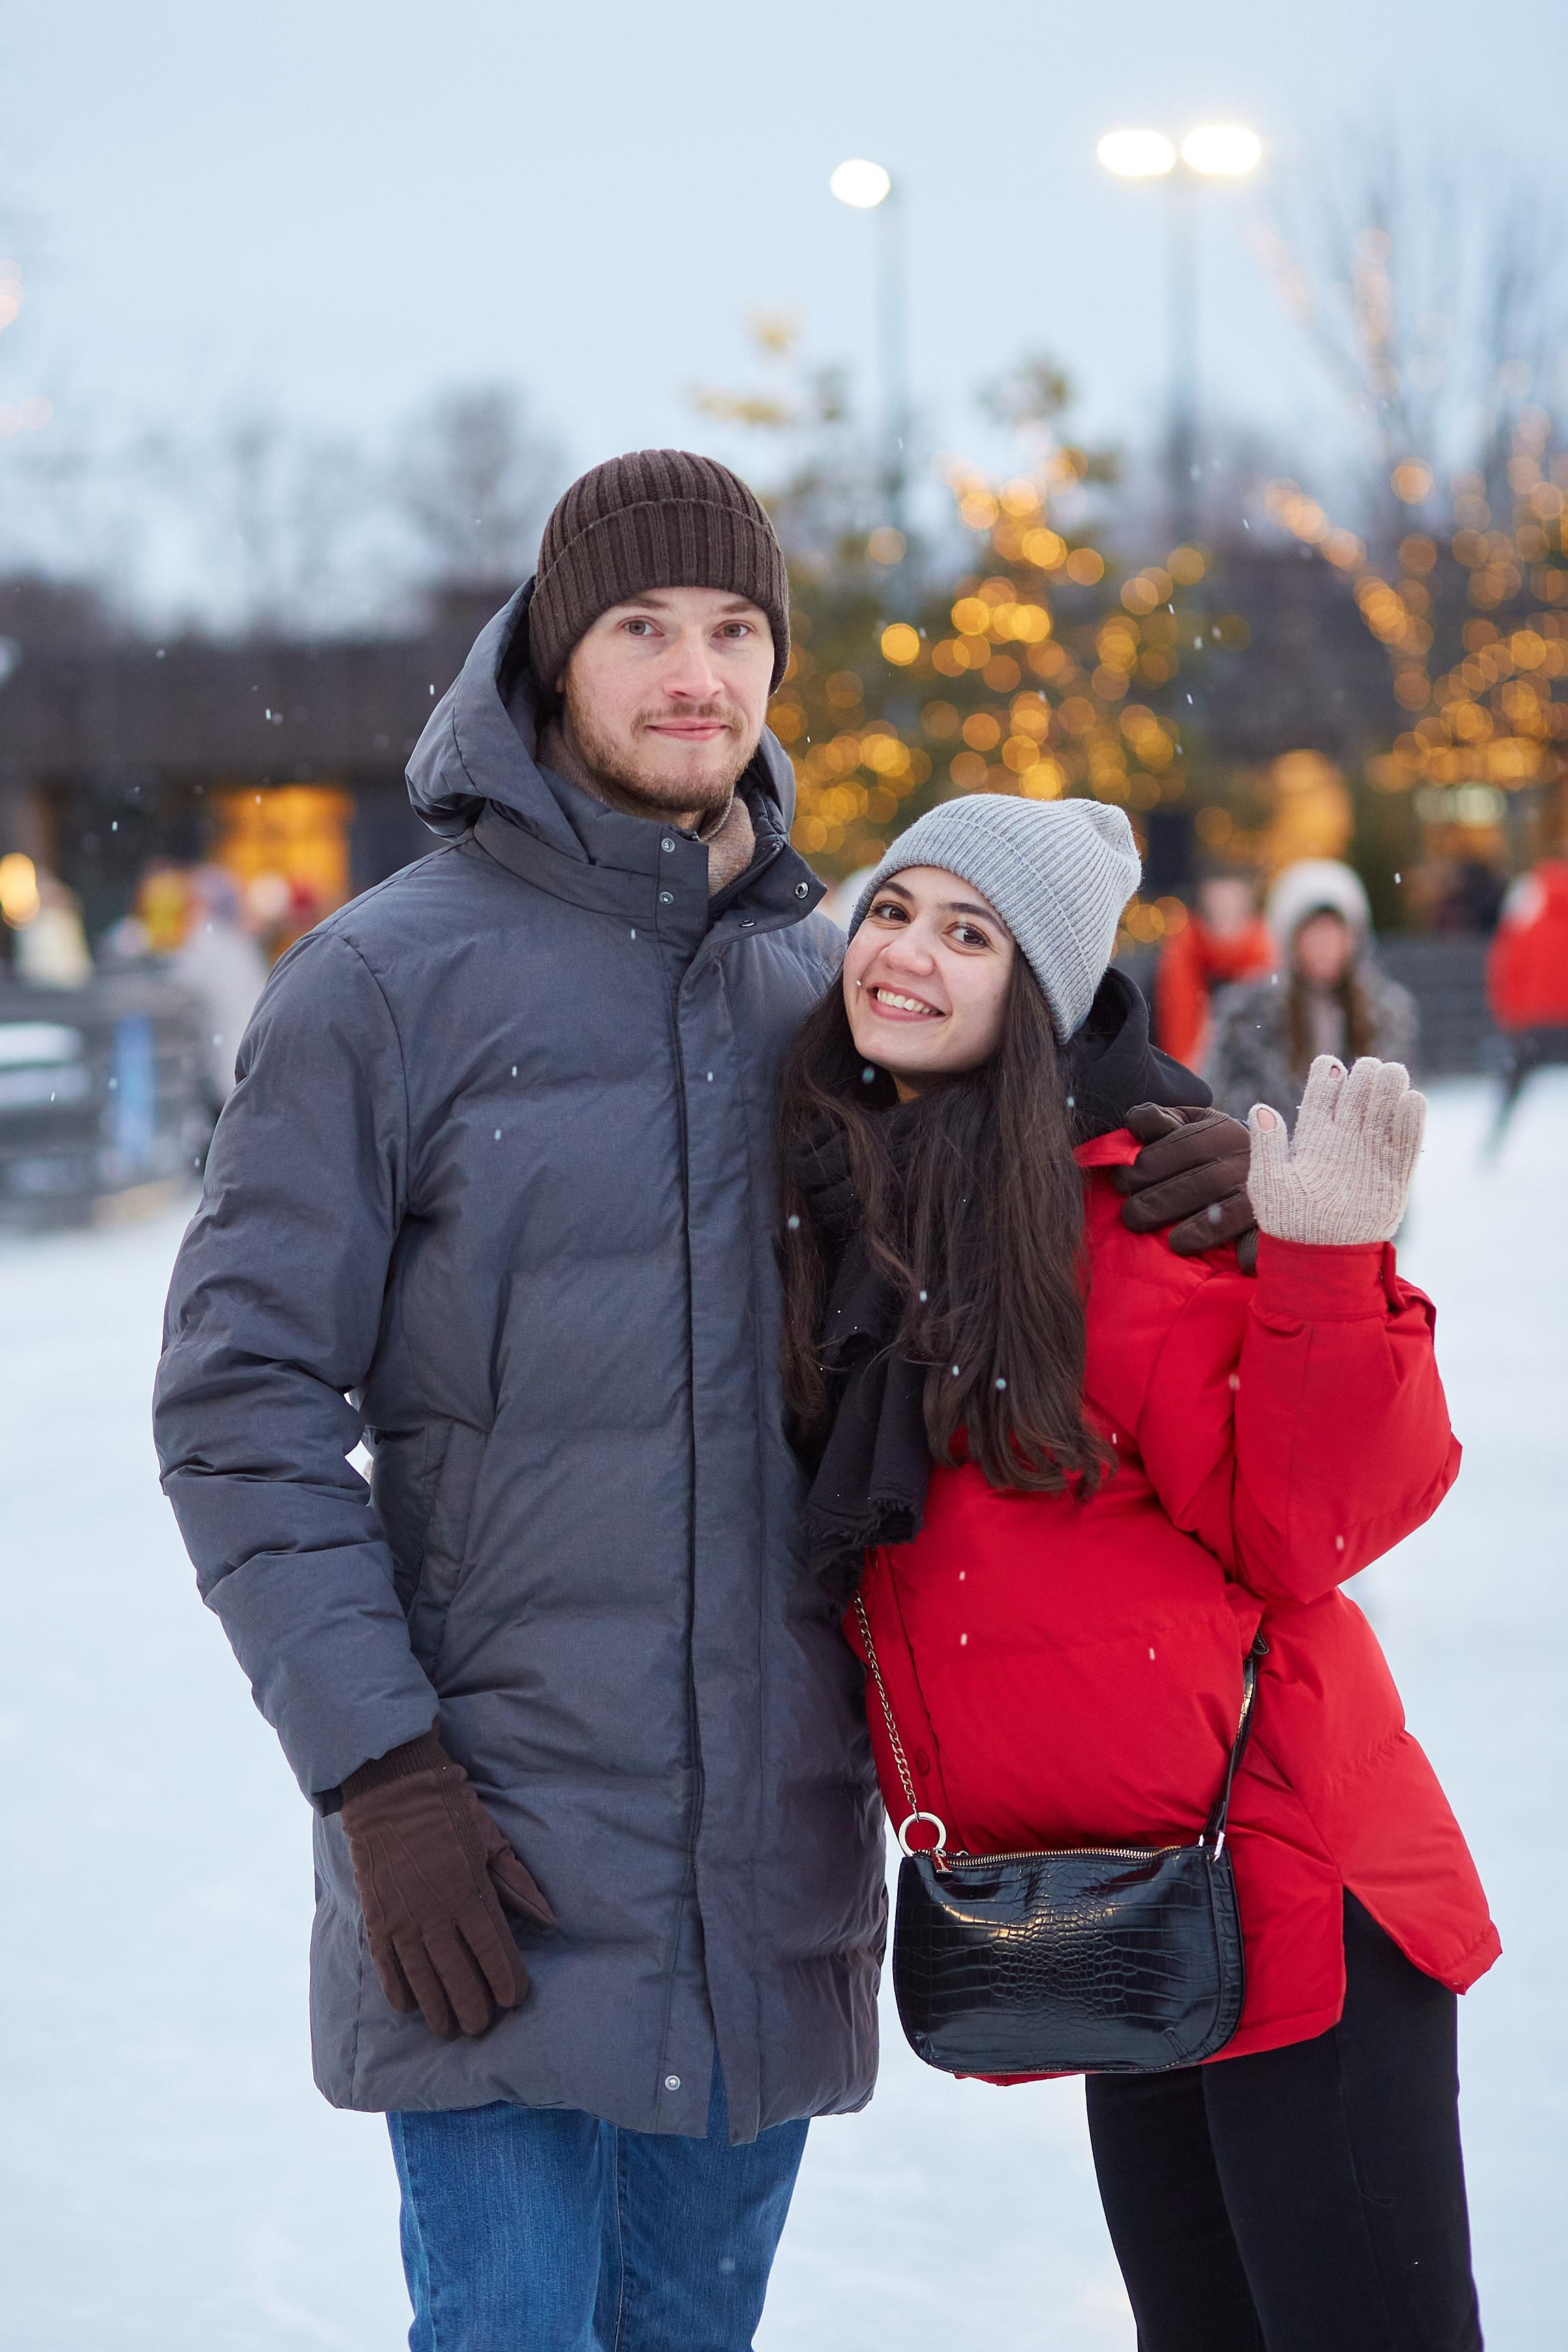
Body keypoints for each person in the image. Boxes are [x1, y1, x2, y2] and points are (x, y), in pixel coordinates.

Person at [152, 451, 1250, 2352]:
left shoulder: (826, 995)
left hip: (766, 1869)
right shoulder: (378, 988)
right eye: (643, 626)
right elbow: (239, 1404)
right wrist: (380, 1776)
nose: (694, 673)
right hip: (487, 1861)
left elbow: (1023, 1153)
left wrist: (1186, 1153)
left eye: (735, 628)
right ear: (548, 655)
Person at [779, 794, 1497, 2352]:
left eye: (968, 934)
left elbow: (1314, 1529)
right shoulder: (872, 1216)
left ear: (1039, 991)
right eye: (890, 909)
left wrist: (1324, 1268)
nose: (905, 953)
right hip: (1132, 1920)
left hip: (1293, 1900)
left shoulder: (1139, 1213)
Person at [1206, 857, 1417, 1127]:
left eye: (1333, 933)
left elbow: (1394, 1106)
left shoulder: (1385, 1014)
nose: (1324, 946)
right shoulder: (1247, 1015)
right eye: (1313, 933)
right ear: (1292, 941)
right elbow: (1221, 1102)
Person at [169, 864, 269, 1114]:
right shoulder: (239, 945)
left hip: (230, 1070)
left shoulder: (209, 941)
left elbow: (179, 982)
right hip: (252, 1062)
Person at [1153, 866, 1274, 1070]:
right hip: (1187, 1077)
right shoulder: (1176, 960)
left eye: (1232, 907)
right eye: (1218, 908)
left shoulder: (1269, 966)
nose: (1225, 916)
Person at [1484, 851, 1568, 1146]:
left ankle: (1495, 1139)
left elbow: (1506, 971)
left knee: (1513, 1084)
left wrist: (1507, 1015)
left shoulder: (1525, 923)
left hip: (1534, 1023)